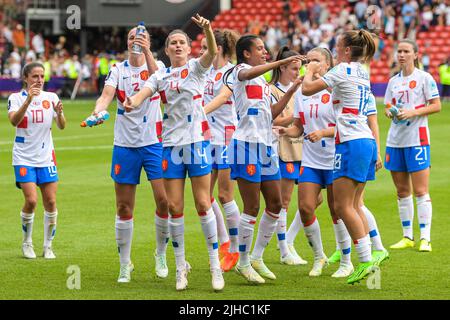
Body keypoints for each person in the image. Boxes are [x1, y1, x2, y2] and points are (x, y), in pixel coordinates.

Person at [124, 14, 224, 292]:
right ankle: (181, 267)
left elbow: (213, 52)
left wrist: (208, 29)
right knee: (174, 208)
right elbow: (145, 91)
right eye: (173, 43)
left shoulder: (196, 68)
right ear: (166, 50)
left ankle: (215, 265)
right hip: (170, 146)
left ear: (189, 47)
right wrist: (133, 100)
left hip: (197, 143)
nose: (178, 46)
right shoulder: (160, 74)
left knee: (203, 204)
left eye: (182, 42)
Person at [88, 26, 170, 283]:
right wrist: (97, 111)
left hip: (154, 143)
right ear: (126, 41)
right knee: (124, 206)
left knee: (164, 202)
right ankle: (125, 264)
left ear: (148, 41)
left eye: (142, 37)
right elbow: (105, 96)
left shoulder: (157, 66)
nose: (136, 40)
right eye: (133, 37)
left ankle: (161, 254)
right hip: (124, 145)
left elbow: (163, 85)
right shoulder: (118, 69)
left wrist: (147, 51)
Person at [222, 35, 302, 284]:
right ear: (246, 54)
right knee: (252, 206)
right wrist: (278, 65)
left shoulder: (264, 83)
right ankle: (243, 262)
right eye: (259, 48)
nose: (265, 51)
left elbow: (271, 114)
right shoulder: (240, 71)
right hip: (246, 145)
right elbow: (248, 74)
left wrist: (291, 90)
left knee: (276, 203)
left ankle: (256, 257)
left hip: (266, 145)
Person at [302, 29, 379, 285]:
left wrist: (311, 69)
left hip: (350, 141)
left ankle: (366, 260)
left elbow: (307, 89)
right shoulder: (361, 71)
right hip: (365, 139)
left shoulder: (342, 70)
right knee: (355, 205)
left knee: (342, 206)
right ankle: (373, 254)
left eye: (337, 46)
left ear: (347, 50)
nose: (335, 50)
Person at [281, 47, 355, 278]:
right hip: (311, 160)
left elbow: (346, 126)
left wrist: (323, 133)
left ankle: (346, 261)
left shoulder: (335, 89)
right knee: (305, 208)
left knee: (337, 211)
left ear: (328, 65)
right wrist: (286, 131)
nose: (310, 64)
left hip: (335, 158)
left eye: (316, 61)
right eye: (308, 60)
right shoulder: (302, 93)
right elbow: (299, 127)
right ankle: (319, 256)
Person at [385, 39, 441, 252]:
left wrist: (413, 112)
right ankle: (407, 236)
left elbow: (436, 106)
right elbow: (387, 107)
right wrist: (391, 111)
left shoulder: (424, 78)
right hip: (395, 140)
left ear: (416, 55)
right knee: (401, 190)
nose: (401, 55)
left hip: (417, 139)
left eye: (406, 51)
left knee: (420, 190)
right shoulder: (393, 82)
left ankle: (425, 238)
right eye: (399, 51)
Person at [7, 62, 66, 260]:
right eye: (35, 77)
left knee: (50, 201)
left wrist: (60, 113)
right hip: (23, 156)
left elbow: (61, 126)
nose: (39, 80)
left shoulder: (51, 97)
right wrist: (28, 101)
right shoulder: (15, 98)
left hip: (46, 156)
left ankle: (48, 246)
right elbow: (14, 121)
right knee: (31, 200)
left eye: (42, 76)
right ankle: (27, 242)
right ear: (26, 78)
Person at [199, 29, 242, 272]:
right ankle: (225, 242)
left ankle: (235, 248)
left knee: (226, 195)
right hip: (206, 139)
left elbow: (224, 96)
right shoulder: (205, 72)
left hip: (227, 138)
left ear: (220, 49)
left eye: (207, 48)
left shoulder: (232, 72)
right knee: (204, 197)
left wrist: (199, 111)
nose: (203, 52)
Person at [269, 46, 307, 266]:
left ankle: (288, 240)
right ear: (282, 67)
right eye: (293, 68)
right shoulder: (272, 90)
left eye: (299, 68)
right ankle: (284, 249)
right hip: (284, 149)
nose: (297, 73)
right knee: (284, 201)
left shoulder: (302, 89)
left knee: (314, 200)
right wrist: (295, 118)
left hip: (304, 149)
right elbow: (269, 119)